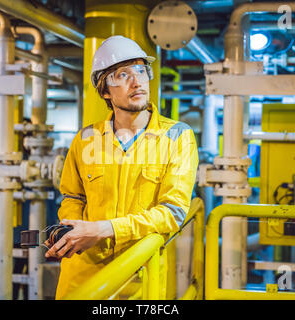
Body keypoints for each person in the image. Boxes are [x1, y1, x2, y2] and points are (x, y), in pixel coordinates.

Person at [45, 35, 199, 299]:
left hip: (140, 278)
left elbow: (172, 213)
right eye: (122, 75)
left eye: (141, 70)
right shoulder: (85, 139)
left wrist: (104, 229)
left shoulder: (177, 137)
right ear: (105, 91)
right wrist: (72, 230)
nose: (137, 81)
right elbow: (73, 196)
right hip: (83, 277)